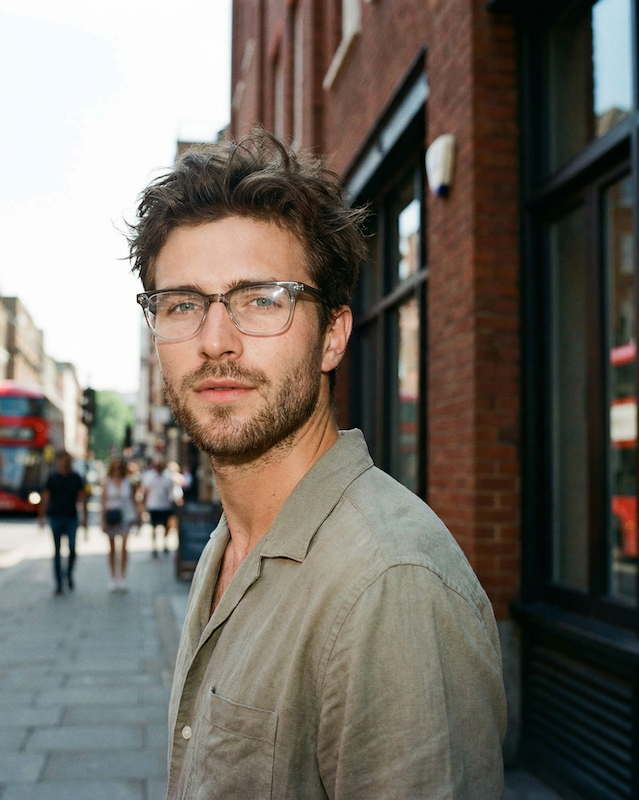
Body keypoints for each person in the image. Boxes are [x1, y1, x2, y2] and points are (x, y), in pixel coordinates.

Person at [129, 130, 507, 798]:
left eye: (262, 300)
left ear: (332, 334)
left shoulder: (389, 586)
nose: (215, 341)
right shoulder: (229, 545)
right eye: (182, 304)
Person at [38, 451, 86, 596]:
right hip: (56, 517)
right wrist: (41, 516)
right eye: (62, 461)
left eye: (67, 461)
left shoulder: (76, 477)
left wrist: (85, 518)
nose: (64, 464)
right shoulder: (53, 478)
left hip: (71, 517)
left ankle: (69, 574)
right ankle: (59, 583)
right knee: (57, 551)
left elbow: (82, 498)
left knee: (72, 548)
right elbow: (45, 497)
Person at [101, 457, 137, 591]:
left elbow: (133, 499)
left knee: (123, 547)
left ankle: (122, 577)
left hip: (126, 516)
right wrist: (102, 519)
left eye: (118, 466)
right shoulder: (107, 482)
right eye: (114, 466)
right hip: (111, 516)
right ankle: (112, 577)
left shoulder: (128, 482)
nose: (116, 469)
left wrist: (138, 515)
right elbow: (103, 501)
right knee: (111, 548)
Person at [140, 458, 179, 556]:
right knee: (153, 527)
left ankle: (165, 543)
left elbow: (172, 490)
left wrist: (174, 501)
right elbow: (145, 492)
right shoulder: (149, 476)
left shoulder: (168, 476)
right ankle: (155, 546)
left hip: (166, 505)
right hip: (153, 505)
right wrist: (143, 506)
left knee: (167, 526)